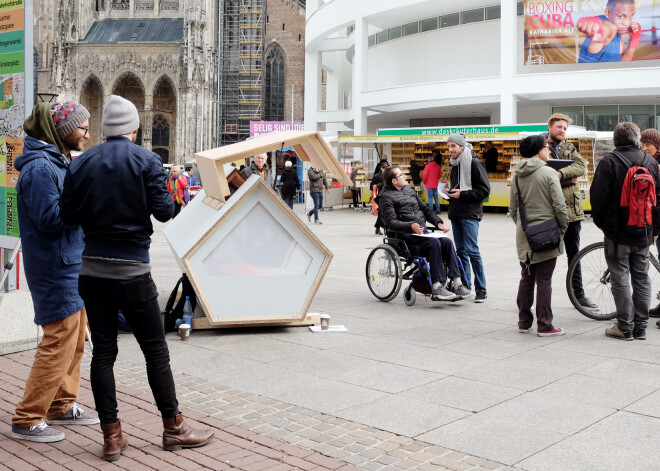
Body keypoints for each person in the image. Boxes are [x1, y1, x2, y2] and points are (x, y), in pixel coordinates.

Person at [60, 95, 214, 461]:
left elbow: (66, 216)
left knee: (104, 355)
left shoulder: (81, 164)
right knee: (155, 351)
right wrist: (173, 202)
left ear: (103, 128)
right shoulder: (147, 160)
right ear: (133, 128)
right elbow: (163, 213)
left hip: (92, 270)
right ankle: (174, 427)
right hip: (131, 271)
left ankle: (112, 436)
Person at [11, 101, 99, 443]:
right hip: (54, 268)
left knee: (75, 341)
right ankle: (27, 417)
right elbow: (49, 219)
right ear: (63, 131)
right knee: (58, 341)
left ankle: (62, 403)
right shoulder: (38, 169)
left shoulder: (53, 162)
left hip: (69, 264)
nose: (87, 134)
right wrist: (84, 202)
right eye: (82, 128)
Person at [590, 121, 660, 340]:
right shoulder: (650, 162)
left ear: (615, 139)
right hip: (644, 231)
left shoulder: (609, 161)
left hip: (617, 233)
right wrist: (655, 229)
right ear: (637, 139)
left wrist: (601, 223)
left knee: (619, 276)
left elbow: (598, 198)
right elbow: (658, 199)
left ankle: (624, 326)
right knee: (642, 277)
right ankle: (640, 327)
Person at [379, 165, 471, 301]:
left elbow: (425, 209)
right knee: (434, 243)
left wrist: (438, 223)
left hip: (421, 233)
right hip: (404, 236)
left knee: (446, 241)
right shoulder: (386, 197)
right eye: (401, 175)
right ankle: (436, 286)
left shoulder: (409, 191)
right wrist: (410, 226)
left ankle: (457, 283)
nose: (404, 176)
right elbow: (391, 222)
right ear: (394, 181)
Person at [509, 135, 568, 337]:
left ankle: (524, 321)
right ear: (537, 150)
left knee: (526, 278)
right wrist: (562, 228)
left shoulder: (517, 176)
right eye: (546, 147)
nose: (549, 150)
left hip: (525, 236)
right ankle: (545, 325)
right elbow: (559, 206)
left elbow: (513, 210)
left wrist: (525, 228)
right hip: (547, 233)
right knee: (544, 280)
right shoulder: (549, 173)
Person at [544, 113, 598, 311]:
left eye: (565, 128)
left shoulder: (569, 147)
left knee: (574, 255)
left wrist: (560, 173)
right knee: (544, 255)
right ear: (550, 127)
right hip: (549, 211)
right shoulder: (540, 146)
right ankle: (541, 296)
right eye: (559, 127)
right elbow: (540, 173)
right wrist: (568, 177)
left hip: (572, 212)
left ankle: (579, 295)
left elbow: (581, 166)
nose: (562, 131)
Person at [446, 133, 491, 302]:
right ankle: (465, 287)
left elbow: (484, 191)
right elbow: (459, 189)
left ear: (461, 147)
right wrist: (450, 193)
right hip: (456, 212)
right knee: (461, 253)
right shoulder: (455, 164)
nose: (450, 150)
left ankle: (481, 289)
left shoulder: (474, 162)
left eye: (453, 146)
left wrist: (462, 194)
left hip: (470, 213)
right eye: (448, 146)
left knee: (472, 251)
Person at [370, 161, 389, 235]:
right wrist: (378, 185)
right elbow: (371, 186)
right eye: (383, 167)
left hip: (388, 196)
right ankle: (385, 228)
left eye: (386, 167)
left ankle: (377, 228)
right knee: (382, 212)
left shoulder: (389, 175)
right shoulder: (377, 176)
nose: (385, 169)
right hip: (380, 196)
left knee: (382, 212)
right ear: (380, 168)